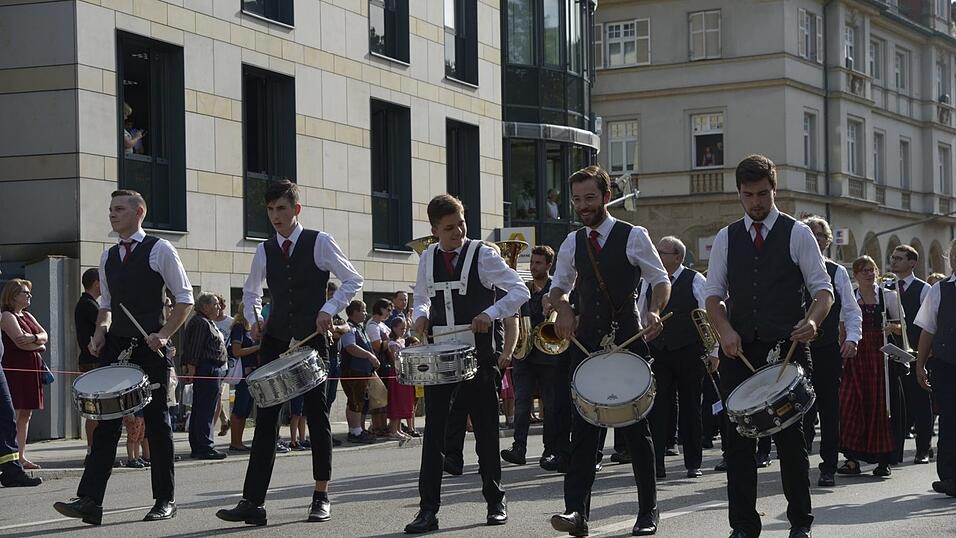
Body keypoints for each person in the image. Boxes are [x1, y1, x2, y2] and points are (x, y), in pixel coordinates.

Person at [217, 179, 363, 526]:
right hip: (276, 338)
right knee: (266, 419)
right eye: (270, 210)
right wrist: (255, 318)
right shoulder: (264, 249)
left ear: (296, 209)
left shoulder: (319, 241)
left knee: (317, 416)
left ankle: (321, 495)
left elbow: (353, 279)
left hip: (312, 338)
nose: (275, 216)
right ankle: (253, 502)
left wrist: (329, 309)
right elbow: (251, 291)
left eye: (281, 208)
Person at [703, 155, 833, 538]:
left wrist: (813, 321)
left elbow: (823, 290)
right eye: (748, 195)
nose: (756, 202)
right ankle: (744, 525)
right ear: (739, 194)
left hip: (786, 350)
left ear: (774, 189)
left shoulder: (798, 233)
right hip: (739, 351)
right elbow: (713, 296)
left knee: (792, 443)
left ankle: (800, 523)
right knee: (737, 444)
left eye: (763, 194)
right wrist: (724, 330)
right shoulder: (726, 237)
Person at [54, 189, 194, 525]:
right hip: (117, 346)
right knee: (107, 423)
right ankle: (90, 500)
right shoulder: (107, 257)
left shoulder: (160, 249)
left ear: (139, 212)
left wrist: (164, 334)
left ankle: (165, 499)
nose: (112, 214)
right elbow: (106, 305)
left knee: (157, 423)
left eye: (119, 209)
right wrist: (100, 332)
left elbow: (185, 298)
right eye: (111, 209)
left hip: (151, 346)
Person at [545, 165, 669, 537]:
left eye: (590, 198)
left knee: (636, 431)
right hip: (586, 346)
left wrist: (654, 310)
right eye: (577, 200)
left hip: (628, 341)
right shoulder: (572, 242)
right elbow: (558, 288)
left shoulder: (634, 236)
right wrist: (563, 309)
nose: (583, 206)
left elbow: (660, 279)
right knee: (583, 432)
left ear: (606, 196)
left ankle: (648, 510)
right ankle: (576, 512)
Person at [403, 194, 529, 534]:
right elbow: (422, 297)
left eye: (461, 223)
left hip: (479, 354)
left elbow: (519, 290)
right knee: (434, 434)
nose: (458, 231)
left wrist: (490, 313)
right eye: (449, 228)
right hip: (440, 357)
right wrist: (420, 317)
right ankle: (428, 510)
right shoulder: (427, 257)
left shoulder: (483, 254)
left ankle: (495, 500)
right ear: (434, 230)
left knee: (486, 431)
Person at [798, 216, 862, 488]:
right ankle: (798, 466)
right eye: (809, 234)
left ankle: (828, 467)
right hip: (796, 348)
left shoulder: (837, 272)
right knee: (799, 411)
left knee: (829, 410)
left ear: (827, 241)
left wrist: (853, 338)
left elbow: (851, 308)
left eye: (819, 235)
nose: (814, 239)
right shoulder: (791, 268)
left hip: (826, 350)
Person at [646, 236, 713, 480]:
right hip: (658, 352)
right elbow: (641, 312)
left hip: (689, 351)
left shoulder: (695, 279)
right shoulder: (650, 281)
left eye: (662, 252)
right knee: (657, 408)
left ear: (677, 257)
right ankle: (657, 464)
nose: (657, 255)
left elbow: (708, 316)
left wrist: (714, 352)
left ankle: (693, 462)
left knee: (691, 407)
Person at [501, 245, 570, 472]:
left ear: (549, 265)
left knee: (550, 406)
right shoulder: (523, 288)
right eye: (531, 262)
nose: (533, 267)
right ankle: (518, 447)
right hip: (525, 355)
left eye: (538, 263)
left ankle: (549, 450)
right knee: (522, 403)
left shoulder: (556, 290)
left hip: (549, 355)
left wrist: (552, 306)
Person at [838, 255, 905, 478]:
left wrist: (892, 328)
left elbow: (902, 326)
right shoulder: (850, 296)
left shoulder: (888, 296)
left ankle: (883, 460)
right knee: (851, 403)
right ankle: (852, 458)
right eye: (863, 270)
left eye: (871, 269)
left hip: (880, 357)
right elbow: (843, 328)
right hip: (856, 356)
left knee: (881, 405)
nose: (869, 274)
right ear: (856, 275)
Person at [914, 238, 956, 497]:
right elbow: (928, 329)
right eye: (955, 255)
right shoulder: (939, 290)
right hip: (946, 365)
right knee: (949, 421)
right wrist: (920, 365)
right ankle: (949, 476)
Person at [889, 245, 933, 464]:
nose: (894, 262)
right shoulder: (887, 287)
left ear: (912, 263)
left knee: (921, 403)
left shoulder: (924, 289)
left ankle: (923, 449)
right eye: (893, 258)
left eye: (899, 258)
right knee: (897, 404)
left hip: (916, 353)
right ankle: (894, 451)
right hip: (893, 353)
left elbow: (929, 323)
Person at [0, 279, 48, 470]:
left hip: (31, 370)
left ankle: (21, 455)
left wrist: (34, 338)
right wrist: (39, 345)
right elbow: (19, 342)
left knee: (26, 413)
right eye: (25, 293)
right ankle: (10, 455)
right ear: (12, 296)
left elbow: (44, 335)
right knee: (15, 412)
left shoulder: (27, 315)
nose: (29, 296)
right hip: (16, 370)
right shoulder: (7, 315)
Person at [182, 293, 229, 460]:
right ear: (204, 306)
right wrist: (191, 369)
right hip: (207, 370)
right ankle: (205, 446)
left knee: (202, 409)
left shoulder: (205, 321)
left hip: (211, 370)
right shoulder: (201, 323)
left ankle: (199, 445)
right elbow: (194, 349)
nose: (219, 307)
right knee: (205, 410)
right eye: (215, 304)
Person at [339, 300, 379, 444]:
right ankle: (355, 432)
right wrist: (369, 356)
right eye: (363, 310)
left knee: (359, 400)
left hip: (363, 371)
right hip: (353, 370)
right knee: (355, 401)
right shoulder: (349, 328)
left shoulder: (359, 328)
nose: (365, 313)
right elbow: (350, 347)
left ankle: (358, 429)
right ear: (354, 312)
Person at [76, 268, 102, 454]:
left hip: (90, 361)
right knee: (95, 409)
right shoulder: (89, 305)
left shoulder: (87, 303)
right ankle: (93, 450)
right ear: (96, 284)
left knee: (95, 409)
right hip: (93, 362)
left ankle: (94, 450)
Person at [227, 309, 259, 452]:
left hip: (251, 374)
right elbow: (236, 351)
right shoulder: (239, 327)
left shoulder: (250, 328)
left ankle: (239, 441)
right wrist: (257, 347)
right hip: (242, 374)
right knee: (240, 407)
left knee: (246, 409)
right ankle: (235, 442)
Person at [366, 299, 393, 436]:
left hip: (386, 363)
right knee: (378, 397)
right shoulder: (372, 326)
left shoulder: (381, 325)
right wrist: (392, 341)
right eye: (388, 310)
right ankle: (377, 426)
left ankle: (382, 425)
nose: (389, 313)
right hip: (378, 364)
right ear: (381, 309)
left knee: (385, 397)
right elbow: (377, 346)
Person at [386, 316, 416, 440]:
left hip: (405, 373)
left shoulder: (402, 341)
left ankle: (398, 429)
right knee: (397, 401)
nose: (403, 330)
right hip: (397, 373)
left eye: (405, 328)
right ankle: (393, 430)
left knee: (403, 401)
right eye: (401, 328)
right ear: (394, 328)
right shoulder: (392, 343)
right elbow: (395, 358)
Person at [212, 295, 233, 438]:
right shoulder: (209, 322)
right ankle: (225, 420)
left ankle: (211, 428)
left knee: (217, 395)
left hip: (224, 363)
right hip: (211, 361)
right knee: (216, 394)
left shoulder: (230, 322)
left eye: (219, 305)